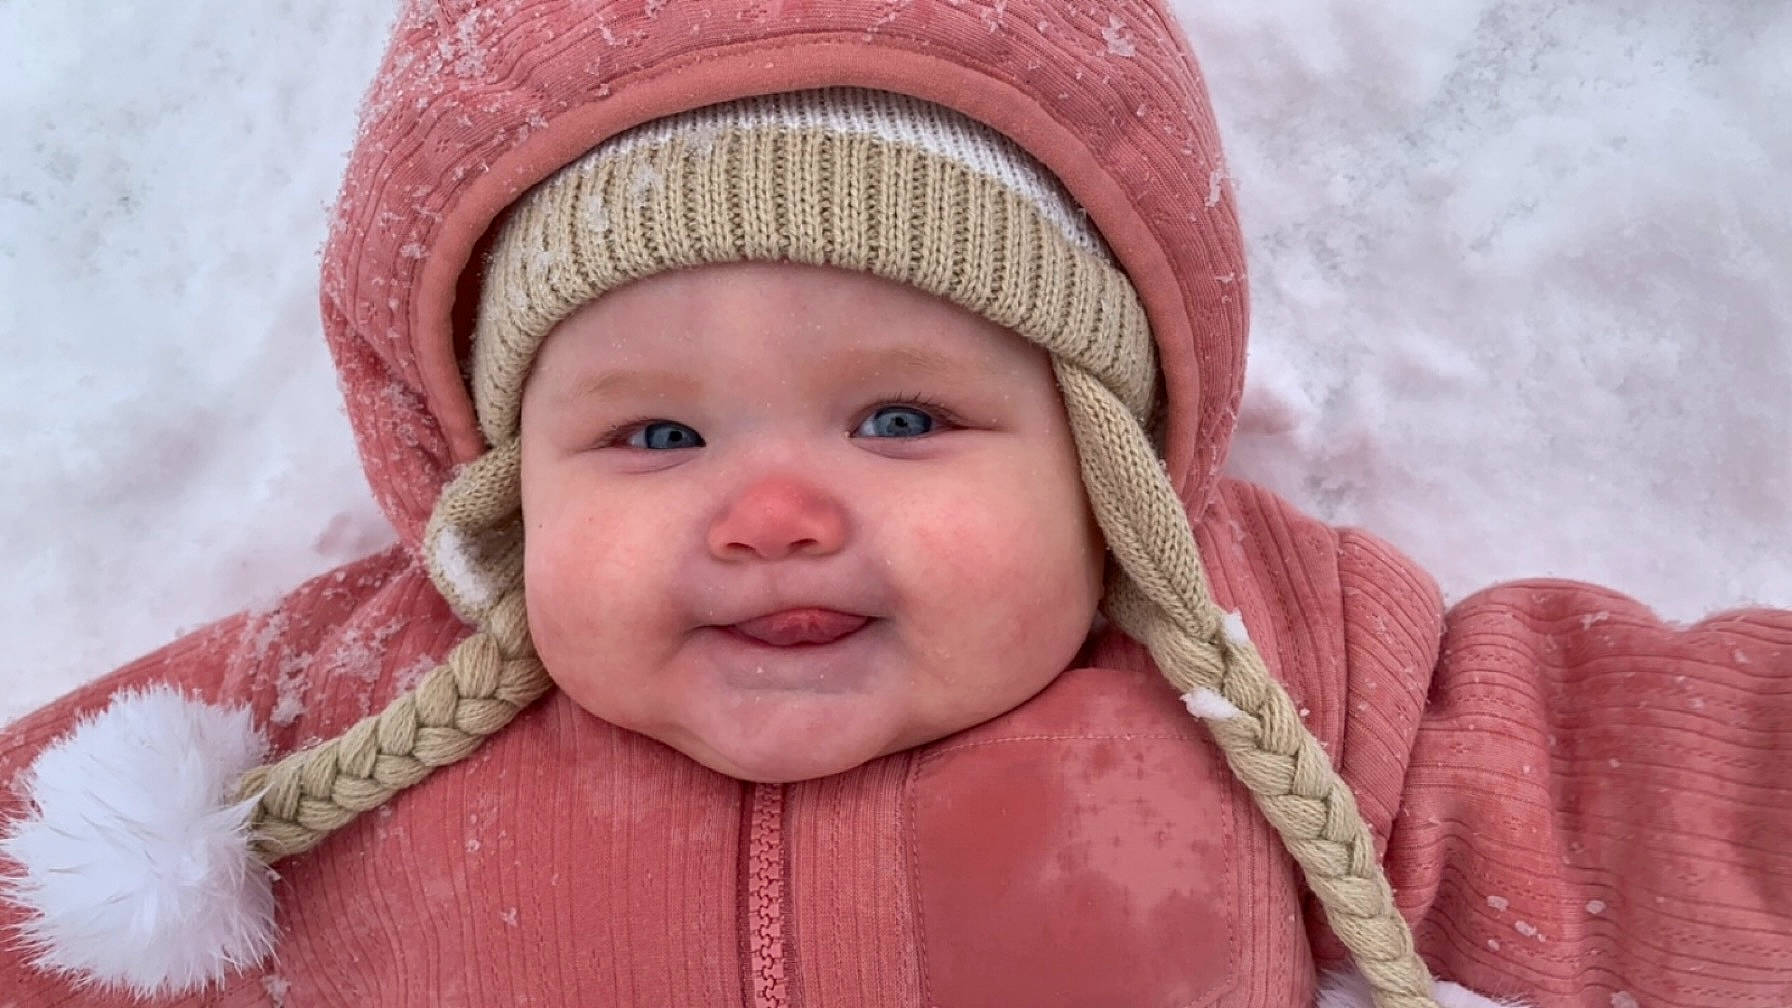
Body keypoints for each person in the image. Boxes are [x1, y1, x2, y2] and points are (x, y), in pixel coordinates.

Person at [2, 3, 1786, 1007]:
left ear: (1097, 459)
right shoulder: (319, 729)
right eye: (656, 437)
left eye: (904, 416)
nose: (775, 511)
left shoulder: (1275, 675)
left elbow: (1632, 784)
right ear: (505, 484)